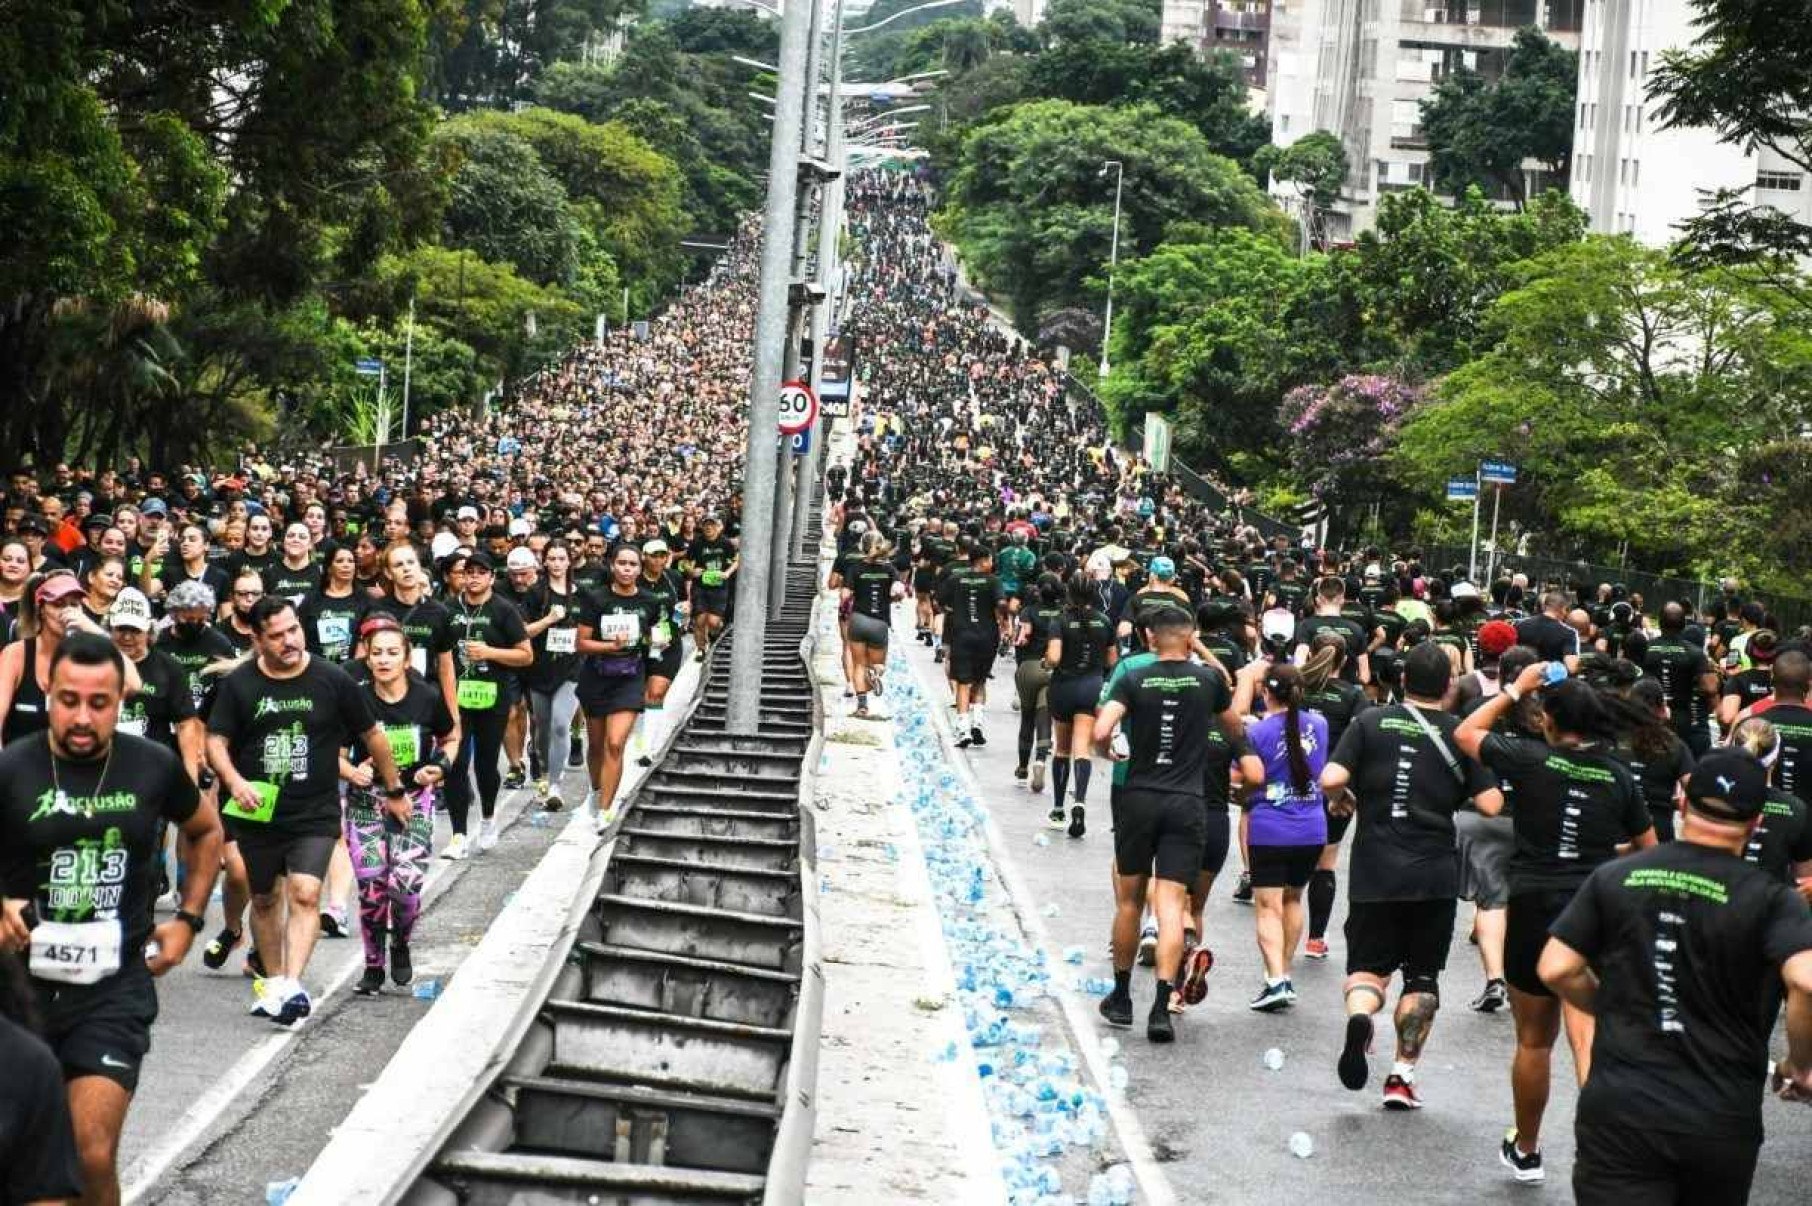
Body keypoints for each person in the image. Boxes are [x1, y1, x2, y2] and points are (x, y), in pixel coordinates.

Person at [0, 633, 224, 1206]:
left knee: (89, 1152)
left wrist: (190, 919)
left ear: (120, 701)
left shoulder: (151, 766)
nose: (82, 716)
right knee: (23, 1169)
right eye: (69, 700)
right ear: (48, 691)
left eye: (98, 704)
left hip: (111, 989)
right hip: (17, 992)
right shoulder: (12, 769)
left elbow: (205, 832)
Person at [1538, 749, 1812, 1205]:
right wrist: (1799, 1064)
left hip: (1621, 1109)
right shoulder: (1772, 900)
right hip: (1718, 1114)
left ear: (1683, 803)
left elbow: (1555, 967)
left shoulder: (1616, 876)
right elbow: (1805, 981)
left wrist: (1608, 1004)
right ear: (1757, 822)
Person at [1455, 665, 1659, 1184]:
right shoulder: (1617, 775)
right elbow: (1649, 851)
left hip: (1534, 906)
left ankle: (1526, 1150)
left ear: (1547, 720)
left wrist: (1513, 690)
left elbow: (1465, 733)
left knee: (1533, 1040)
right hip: (1593, 910)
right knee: (1589, 1033)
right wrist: (1601, 851)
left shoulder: (1529, 758)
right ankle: (1604, 1150)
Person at [207, 596, 409, 1026]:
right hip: (257, 810)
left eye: (293, 630)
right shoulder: (240, 685)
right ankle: (276, 981)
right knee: (263, 899)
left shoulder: (331, 680)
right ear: (256, 639)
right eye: (276, 635)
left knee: (303, 892)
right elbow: (216, 742)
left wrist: (393, 788)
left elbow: (372, 735)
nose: (289, 641)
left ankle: (293, 984)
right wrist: (235, 782)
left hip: (314, 810)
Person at [1322, 642, 1502, 1108]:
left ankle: (1362, 1017)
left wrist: (1344, 795)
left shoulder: (1369, 723)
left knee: (1367, 971)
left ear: (1403, 681)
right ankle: (1401, 1076)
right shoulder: (1459, 734)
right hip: (1433, 875)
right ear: (1447, 687)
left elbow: (1329, 778)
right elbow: (1491, 805)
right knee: (1422, 979)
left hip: (1375, 871)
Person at [1093, 602, 1247, 1042]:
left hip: (1139, 796)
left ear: (1147, 637)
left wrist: (1109, 754)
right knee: (1171, 904)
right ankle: (1161, 1006)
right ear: (1191, 635)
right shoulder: (1208, 680)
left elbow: (1102, 732)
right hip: (1187, 799)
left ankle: (1121, 997)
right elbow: (1235, 730)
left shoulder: (1132, 675)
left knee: (1129, 901)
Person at [340, 617, 458, 995]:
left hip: (413, 803)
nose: (384, 660)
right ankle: (373, 966)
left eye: (392, 653)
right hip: (365, 804)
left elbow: (451, 737)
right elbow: (335, 754)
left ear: (407, 658)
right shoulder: (355, 699)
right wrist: (351, 771)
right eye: (377, 654)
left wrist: (437, 768)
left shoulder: (426, 697)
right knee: (373, 889)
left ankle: (401, 942)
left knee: (405, 891)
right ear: (368, 659)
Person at [1231, 660, 1329, 1012]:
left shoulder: (1255, 733)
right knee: (1292, 900)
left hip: (1270, 827)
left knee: (1267, 906)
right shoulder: (1320, 724)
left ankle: (1275, 980)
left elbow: (1239, 779)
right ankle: (1284, 973)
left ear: (1265, 692)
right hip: (1312, 827)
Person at [442, 550, 532, 857]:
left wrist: (490, 652)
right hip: (456, 698)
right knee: (455, 764)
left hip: (493, 696)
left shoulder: (504, 610)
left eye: (481, 573)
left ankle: (489, 817)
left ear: (492, 577)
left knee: (485, 764)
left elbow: (525, 655)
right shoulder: (449, 608)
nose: (474, 577)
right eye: (469, 572)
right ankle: (458, 835)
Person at [575, 543, 663, 828]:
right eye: (622, 563)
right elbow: (581, 643)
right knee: (597, 746)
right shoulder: (595, 598)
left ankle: (605, 811)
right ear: (612, 566)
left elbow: (657, 635)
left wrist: (660, 639)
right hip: (597, 677)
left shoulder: (650, 601)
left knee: (615, 744)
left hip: (629, 677)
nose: (627, 569)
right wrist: (609, 646)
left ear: (640, 567)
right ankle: (597, 790)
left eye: (633, 564)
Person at [2, 573, 140, 748]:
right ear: (42, 610)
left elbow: (133, 684)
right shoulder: (16, 655)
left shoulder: (85, 654)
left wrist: (93, 629)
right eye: (58, 605)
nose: (66, 612)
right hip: (21, 765)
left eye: (73, 605)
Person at [1044, 575, 1116, 836]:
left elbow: (1054, 657)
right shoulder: (1105, 621)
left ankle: (1058, 807)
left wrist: (1046, 664)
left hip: (1064, 686)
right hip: (1091, 687)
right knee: (1082, 749)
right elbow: (1112, 659)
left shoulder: (1060, 620)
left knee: (1061, 749)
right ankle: (1080, 802)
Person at [521, 542, 581, 811]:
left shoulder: (583, 595)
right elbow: (523, 632)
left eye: (562, 558)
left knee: (560, 724)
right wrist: (547, 620)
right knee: (542, 730)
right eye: (552, 559)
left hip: (571, 670)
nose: (557, 563)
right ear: (544, 562)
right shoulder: (536, 594)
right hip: (540, 669)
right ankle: (545, 779)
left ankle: (556, 785)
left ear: (570, 562)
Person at [941, 543, 1006, 749]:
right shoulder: (993, 581)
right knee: (980, 680)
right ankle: (977, 723)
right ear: (983, 560)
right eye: (990, 560)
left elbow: (939, 601)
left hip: (961, 635)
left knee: (963, 682)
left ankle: (963, 729)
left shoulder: (955, 579)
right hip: (987, 636)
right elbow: (1001, 604)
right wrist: (1003, 620)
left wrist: (957, 611)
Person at [633, 539, 687, 764]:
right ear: (644, 557)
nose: (658, 560)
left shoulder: (674, 578)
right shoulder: (634, 579)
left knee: (656, 692)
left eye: (662, 555)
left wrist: (681, 617)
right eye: (653, 555)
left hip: (668, 644)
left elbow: (682, 606)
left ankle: (646, 746)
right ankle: (639, 736)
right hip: (639, 644)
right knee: (638, 696)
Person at [1012, 576, 1063, 791]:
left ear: (1038, 591)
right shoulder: (1063, 614)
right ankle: (1041, 761)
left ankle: (1023, 766)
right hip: (1052, 670)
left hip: (1029, 668)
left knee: (1027, 718)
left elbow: (1023, 638)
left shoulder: (1028, 611)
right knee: (1045, 718)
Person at [842, 531, 900, 721]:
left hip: (858, 620)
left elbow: (845, 595)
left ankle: (862, 706)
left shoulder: (855, 568)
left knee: (859, 664)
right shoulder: (890, 570)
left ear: (862, 547)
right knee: (878, 664)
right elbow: (898, 592)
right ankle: (875, 674)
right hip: (879, 623)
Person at [682, 514, 736, 662]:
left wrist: (727, 573)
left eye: (712, 524)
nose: (708, 527)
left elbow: (737, 560)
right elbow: (685, 562)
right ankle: (701, 649)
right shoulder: (696, 543)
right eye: (706, 524)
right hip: (700, 587)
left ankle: (714, 636)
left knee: (713, 622)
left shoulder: (725, 543)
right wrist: (691, 571)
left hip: (719, 587)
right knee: (699, 620)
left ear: (718, 527)